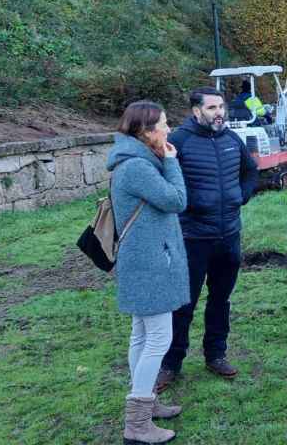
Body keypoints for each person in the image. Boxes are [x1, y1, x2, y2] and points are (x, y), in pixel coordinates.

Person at [155, 87, 259, 392]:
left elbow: (251, 172)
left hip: (229, 235)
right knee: (183, 304)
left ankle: (216, 354)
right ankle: (171, 364)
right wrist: (187, 206)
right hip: (193, 237)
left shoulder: (230, 139)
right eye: (212, 108)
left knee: (220, 300)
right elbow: (163, 183)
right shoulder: (179, 142)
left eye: (221, 107)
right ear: (196, 111)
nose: (219, 113)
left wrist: (242, 195)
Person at [106, 100, 189, 444]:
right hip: (150, 263)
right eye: (164, 125)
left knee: (141, 335)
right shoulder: (138, 167)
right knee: (157, 338)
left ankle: (147, 401)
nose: (169, 130)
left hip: (143, 259)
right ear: (145, 131)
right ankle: (137, 425)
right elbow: (176, 200)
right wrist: (172, 163)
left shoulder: (132, 161)